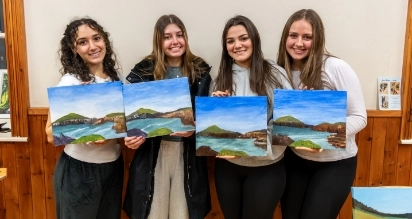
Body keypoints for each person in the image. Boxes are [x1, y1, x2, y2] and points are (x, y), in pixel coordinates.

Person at [276, 9, 367, 219]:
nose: (299, 43)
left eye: (307, 37)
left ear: (317, 40)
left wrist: (324, 139)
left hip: (335, 163)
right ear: (285, 38)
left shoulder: (336, 67)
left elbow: (359, 117)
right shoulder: (281, 71)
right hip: (296, 160)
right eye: (293, 36)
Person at [122, 14, 212, 219]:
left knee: (183, 213)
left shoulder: (200, 70)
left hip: (186, 154)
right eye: (167, 37)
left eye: (179, 35)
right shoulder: (144, 71)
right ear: (158, 41)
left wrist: (197, 127)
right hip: (154, 153)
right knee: (154, 213)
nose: (175, 41)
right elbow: (132, 118)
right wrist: (131, 137)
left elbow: (208, 119)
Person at [211, 15, 292, 219]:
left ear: (254, 40)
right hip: (228, 169)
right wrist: (216, 109)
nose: (237, 45)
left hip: (266, 169)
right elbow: (215, 131)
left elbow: (287, 125)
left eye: (243, 38)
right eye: (230, 41)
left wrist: (253, 147)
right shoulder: (220, 78)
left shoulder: (275, 74)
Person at [44, 18, 124, 219]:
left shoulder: (115, 81)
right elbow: (50, 135)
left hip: (113, 167)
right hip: (78, 171)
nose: (93, 46)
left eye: (96, 38)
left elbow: (121, 125)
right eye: (83, 42)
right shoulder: (70, 82)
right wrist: (85, 134)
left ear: (105, 40)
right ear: (74, 49)